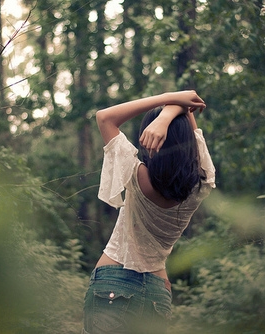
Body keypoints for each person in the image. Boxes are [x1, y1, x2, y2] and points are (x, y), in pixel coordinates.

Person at [82, 91, 216, 334]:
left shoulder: (136, 175)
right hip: (157, 292)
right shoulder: (202, 184)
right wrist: (170, 113)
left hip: (114, 278)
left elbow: (104, 118)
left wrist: (166, 100)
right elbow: (190, 107)